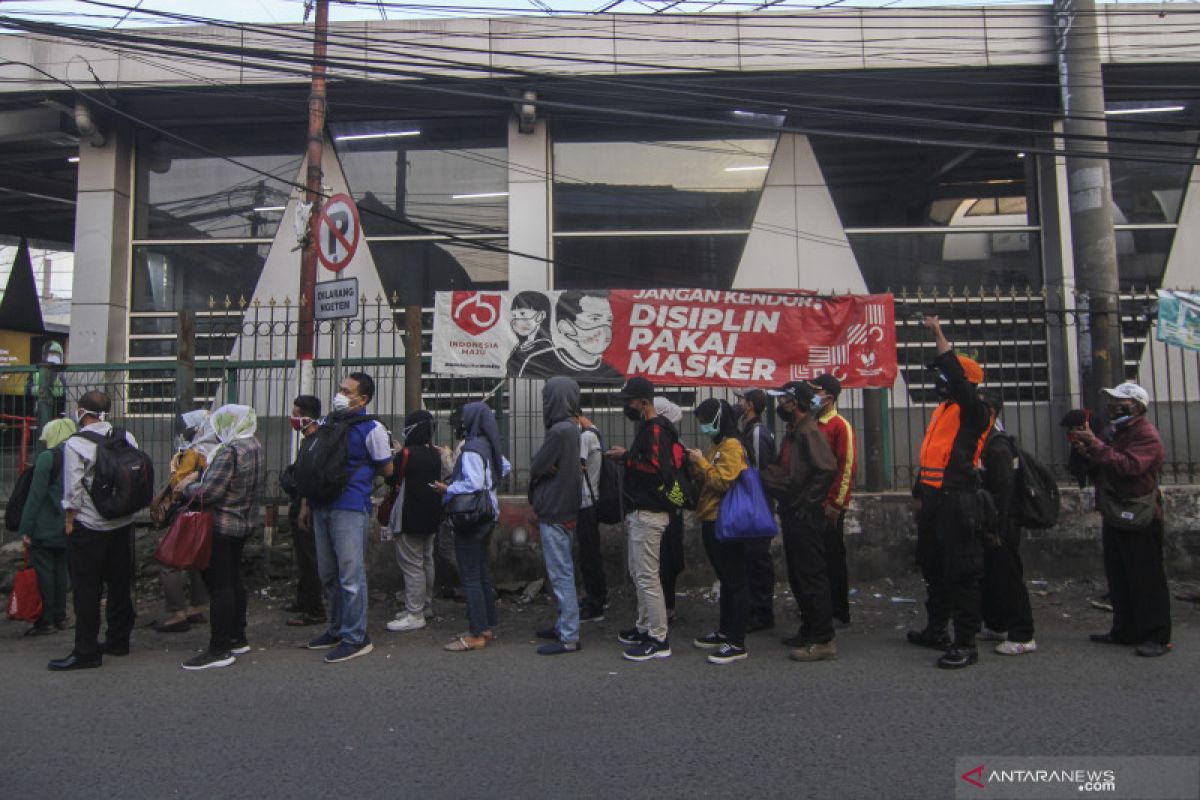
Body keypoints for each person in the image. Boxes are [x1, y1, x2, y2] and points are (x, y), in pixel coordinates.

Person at [906, 316, 995, 670]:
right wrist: (918, 494)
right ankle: (936, 629)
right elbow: (931, 458)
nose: (939, 380)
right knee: (934, 567)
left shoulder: (974, 410)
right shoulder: (943, 410)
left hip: (958, 502)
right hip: (933, 501)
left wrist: (939, 334)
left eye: (946, 375)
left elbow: (956, 376)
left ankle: (966, 643)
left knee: (961, 573)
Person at [1071, 382, 1171, 657]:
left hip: (1139, 514)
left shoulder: (1146, 435)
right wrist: (1087, 450)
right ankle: (1125, 629)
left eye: (1121, 402)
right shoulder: (1115, 431)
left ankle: (1157, 636)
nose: (1114, 406)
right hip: (1114, 510)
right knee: (1119, 574)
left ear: (1137, 407)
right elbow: (1105, 461)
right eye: (1113, 401)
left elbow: (1130, 466)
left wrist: (1098, 446)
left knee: (1146, 577)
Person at [303, 373, 393, 664]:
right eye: (340, 389)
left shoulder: (372, 428)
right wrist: (307, 502)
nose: (340, 394)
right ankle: (337, 627)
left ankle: (356, 637)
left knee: (350, 575)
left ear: (362, 399)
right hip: (321, 503)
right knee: (328, 573)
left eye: (346, 390)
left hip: (350, 505)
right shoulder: (329, 423)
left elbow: (387, 469)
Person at [49, 391, 139, 671]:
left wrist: (69, 518)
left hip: (90, 525)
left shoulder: (76, 443)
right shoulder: (126, 436)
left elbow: (73, 488)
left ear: (81, 412)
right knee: (120, 584)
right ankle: (118, 640)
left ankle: (86, 650)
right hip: (123, 523)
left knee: (87, 589)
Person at [176, 405, 265, 670]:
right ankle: (238, 637)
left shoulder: (230, 451)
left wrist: (186, 488)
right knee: (233, 580)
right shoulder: (253, 445)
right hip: (243, 521)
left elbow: (210, 492)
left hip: (222, 524)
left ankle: (219, 648)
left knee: (219, 586)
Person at [762, 382, 837, 663]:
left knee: (811, 575)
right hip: (794, 511)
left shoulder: (807, 431)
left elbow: (827, 468)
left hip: (805, 514)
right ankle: (809, 629)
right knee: (798, 575)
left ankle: (823, 639)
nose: (780, 405)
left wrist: (808, 501)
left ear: (794, 403)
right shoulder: (795, 431)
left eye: (783, 400)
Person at [608, 377, 681, 662]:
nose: (627, 406)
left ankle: (658, 637)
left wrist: (625, 458)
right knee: (640, 574)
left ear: (644, 402)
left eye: (630, 401)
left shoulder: (656, 430)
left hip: (650, 512)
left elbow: (655, 469)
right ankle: (644, 627)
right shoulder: (651, 428)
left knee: (648, 577)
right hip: (643, 511)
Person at [436, 402, 510, 652]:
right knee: (480, 571)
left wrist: (449, 488)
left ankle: (477, 633)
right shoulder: (489, 445)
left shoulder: (471, 449)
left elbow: (474, 483)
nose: (460, 423)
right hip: (488, 514)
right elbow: (504, 467)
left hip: (471, 516)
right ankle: (486, 624)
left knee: (470, 577)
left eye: (463, 419)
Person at [688, 399, 752, 665]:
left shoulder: (733, 446)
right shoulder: (718, 444)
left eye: (706, 420)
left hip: (726, 520)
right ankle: (725, 631)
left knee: (736, 580)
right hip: (711, 517)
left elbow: (724, 481)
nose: (703, 425)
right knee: (726, 579)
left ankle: (737, 641)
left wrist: (701, 463)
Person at [976, 391, 1037, 656]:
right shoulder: (983, 441)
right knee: (992, 575)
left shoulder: (997, 445)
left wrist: (996, 529)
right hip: (991, 522)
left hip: (1002, 523)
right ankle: (997, 623)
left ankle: (1022, 634)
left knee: (1008, 576)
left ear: (990, 412)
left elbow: (1002, 492)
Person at [530, 377, 584, 655]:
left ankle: (569, 635)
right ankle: (564, 624)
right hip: (566, 508)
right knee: (563, 571)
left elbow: (537, 464)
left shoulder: (559, 431)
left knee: (560, 573)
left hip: (555, 510)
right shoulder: (571, 428)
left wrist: (542, 467)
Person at [385, 410, 450, 633]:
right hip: (431, 513)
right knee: (426, 560)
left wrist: (393, 454)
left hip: (409, 515)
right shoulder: (435, 453)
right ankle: (425, 606)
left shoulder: (406, 453)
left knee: (412, 565)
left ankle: (415, 613)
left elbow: (391, 478)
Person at [153, 408, 214, 634]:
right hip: (206, 511)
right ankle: (197, 607)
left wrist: (174, 469)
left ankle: (177, 612)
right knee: (197, 559)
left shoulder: (193, 453)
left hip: (187, 511)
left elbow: (177, 484)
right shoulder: (216, 448)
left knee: (170, 560)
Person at [17, 416, 75, 637]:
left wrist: (26, 528)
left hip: (44, 525)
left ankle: (47, 619)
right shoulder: (77, 455)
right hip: (69, 523)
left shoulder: (47, 457)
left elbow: (35, 496)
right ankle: (61, 616)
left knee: (44, 572)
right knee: (61, 570)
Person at [809, 375, 858, 628]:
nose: (812, 395)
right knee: (816, 560)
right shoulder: (813, 423)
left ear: (828, 395)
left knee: (833, 559)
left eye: (815, 391)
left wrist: (836, 504)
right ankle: (820, 606)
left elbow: (846, 466)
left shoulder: (839, 425)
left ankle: (839, 611)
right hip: (811, 503)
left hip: (829, 506)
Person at [736, 388, 778, 633]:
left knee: (758, 560)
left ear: (750, 405)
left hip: (757, 506)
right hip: (752, 505)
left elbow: (758, 472)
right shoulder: (750, 430)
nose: (739, 403)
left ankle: (762, 612)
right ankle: (754, 608)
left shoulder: (757, 432)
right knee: (750, 560)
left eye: (742, 400)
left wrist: (755, 504)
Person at [282, 395, 325, 627]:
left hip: (306, 506)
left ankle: (315, 608)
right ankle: (304, 599)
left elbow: (311, 477)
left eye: (296, 414)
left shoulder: (315, 442)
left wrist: (304, 507)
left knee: (309, 558)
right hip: (301, 502)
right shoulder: (308, 441)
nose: (293, 419)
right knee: (304, 557)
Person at [653, 396, 686, 622]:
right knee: (666, 560)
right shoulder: (675, 441)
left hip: (665, 508)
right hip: (672, 508)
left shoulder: (669, 443)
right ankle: (665, 605)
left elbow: (668, 476)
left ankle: (665, 608)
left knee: (663, 561)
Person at [576, 410, 607, 623]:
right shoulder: (596, 433)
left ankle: (595, 603)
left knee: (589, 555)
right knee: (592, 552)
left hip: (586, 501)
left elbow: (578, 467)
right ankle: (599, 597)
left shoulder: (586, 437)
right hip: (593, 500)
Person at [551, 291, 622, 381]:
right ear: (566, 327)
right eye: (594, 319)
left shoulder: (613, 368)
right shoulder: (544, 362)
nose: (604, 329)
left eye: (609, 320)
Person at [507, 291, 556, 378]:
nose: (517, 320)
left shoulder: (546, 350)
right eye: (514, 315)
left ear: (540, 316)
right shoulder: (520, 347)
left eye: (522, 313)